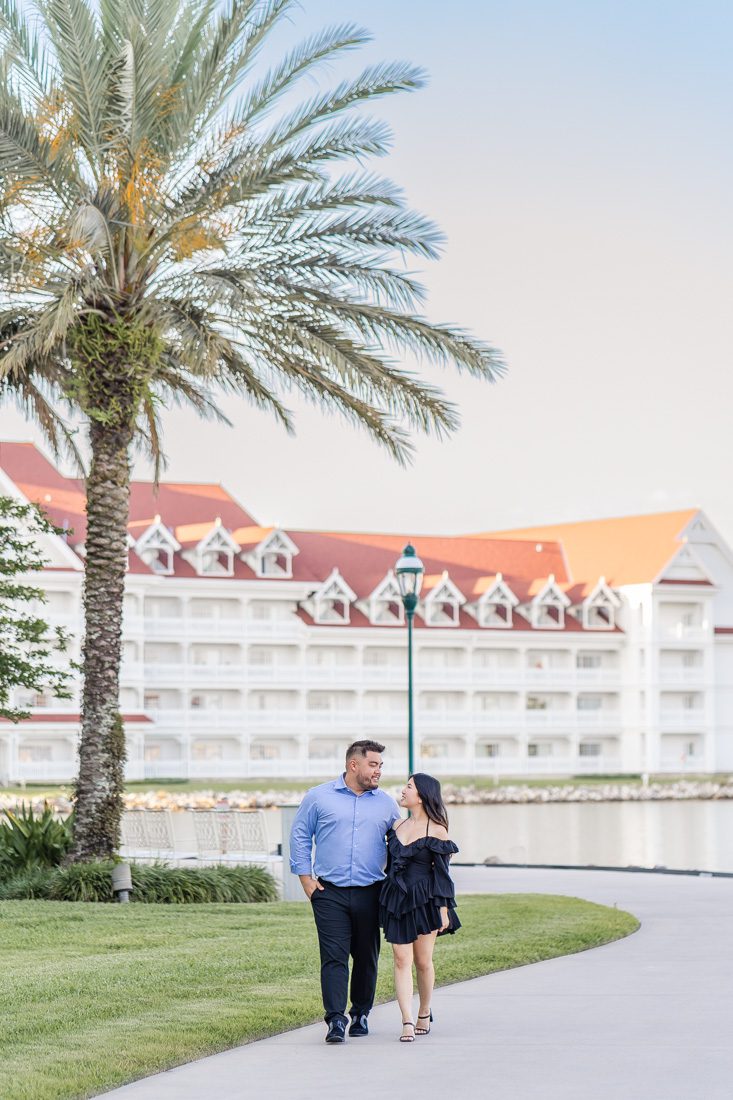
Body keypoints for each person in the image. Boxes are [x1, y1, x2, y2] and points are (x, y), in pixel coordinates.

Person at [289, 739, 401, 1044]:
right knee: (334, 957)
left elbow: (404, 844)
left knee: (367, 956)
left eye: (380, 765)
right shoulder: (318, 797)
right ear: (354, 765)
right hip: (329, 892)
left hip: (371, 891)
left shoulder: (387, 804)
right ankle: (335, 1020)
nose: (378, 771)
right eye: (373, 764)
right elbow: (300, 834)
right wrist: (306, 881)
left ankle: (361, 1012)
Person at [379, 772, 460, 1042]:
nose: (403, 791)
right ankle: (407, 1021)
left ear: (422, 795)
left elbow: (443, 874)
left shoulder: (437, 830)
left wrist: (444, 909)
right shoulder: (397, 827)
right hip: (396, 901)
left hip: (426, 900)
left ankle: (424, 1011)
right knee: (401, 959)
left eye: (409, 787)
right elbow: (388, 867)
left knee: (423, 961)